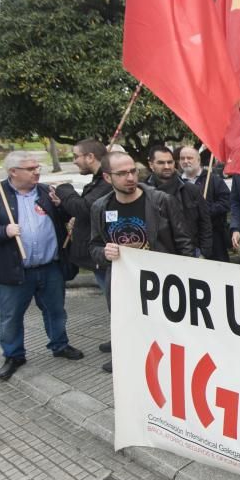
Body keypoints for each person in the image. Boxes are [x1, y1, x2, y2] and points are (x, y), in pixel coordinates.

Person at [0, 151, 85, 380]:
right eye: (30, 169)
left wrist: (64, 209)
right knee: (11, 316)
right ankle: (14, 355)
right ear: (13, 172)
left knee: (56, 311)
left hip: (50, 267)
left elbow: (67, 216)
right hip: (12, 271)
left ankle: (60, 345)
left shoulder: (46, 192)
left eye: (37, 167)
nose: (37, 171)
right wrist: (2, 231)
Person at [89, 151, 193, 372]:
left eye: (133, 171)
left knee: (162, 325)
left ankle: (166, 364)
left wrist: (186, 275)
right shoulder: (101, 207)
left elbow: (183, 240)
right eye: (122, 173)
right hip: (122, 280)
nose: (130, 177)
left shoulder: (161, 201)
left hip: (160, 279)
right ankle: (127, 359)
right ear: (108, 178)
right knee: (126, 323)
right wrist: (104, 253)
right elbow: (94, 246)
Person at [52, 139, 110, 280]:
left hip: (103, 257)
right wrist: (64, 204)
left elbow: (84, 209)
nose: (74, 161)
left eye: (76, 156)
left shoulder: (106, 181)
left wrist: (64, 189)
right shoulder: (98, 180)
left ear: (90, 157)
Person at [145, 145, 212, 259]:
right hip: (159, 258)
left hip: (191, 254)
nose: (167, 166)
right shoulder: (144, 192)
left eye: (170, 162)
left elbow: (205, 223)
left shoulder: (191, 190)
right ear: (151, 165)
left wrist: (203, 253)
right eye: (161, 163)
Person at [178, 145, 231, 262]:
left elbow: (226, 202)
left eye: (189, 158)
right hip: (188, 239)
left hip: (214, 238)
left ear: (198, 160)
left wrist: (207, 210)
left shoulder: (212, 179)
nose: (186, 161)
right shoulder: (177, 183)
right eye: (182, 158)